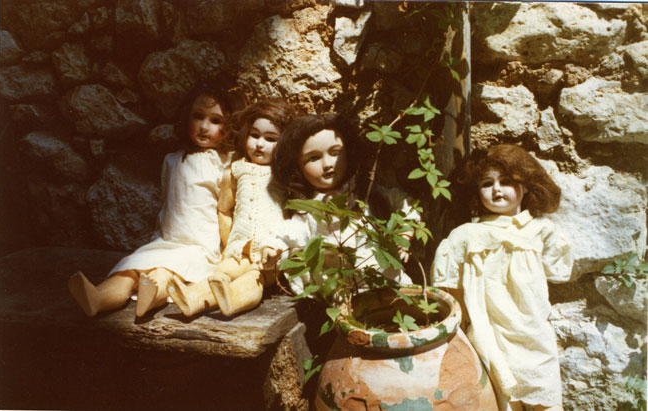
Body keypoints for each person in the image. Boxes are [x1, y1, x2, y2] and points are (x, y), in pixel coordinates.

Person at [68, 80, 242, 317]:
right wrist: (157, 234)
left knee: (163, 272)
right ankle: (98, 298)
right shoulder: (173, 160)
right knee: (130, 269)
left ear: (229, 126)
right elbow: (168, 204)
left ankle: (151, 298)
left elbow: (227, 209)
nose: (204, 126)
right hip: (167, 240)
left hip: (200, 246)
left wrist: (228, 251)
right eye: (198, 116)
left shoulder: (227, 163)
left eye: (215, 121)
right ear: (186, 118)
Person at [430, 144, 573, 411]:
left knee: (544, 393)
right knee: (501, 397)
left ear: (526, 186)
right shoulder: (466, 235)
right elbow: (446, 285)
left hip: (531, 329)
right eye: (487, 184)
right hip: (489, 329)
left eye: (506, 181)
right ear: (476, 191)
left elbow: (559, 271)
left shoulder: (539, 230)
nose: (497, 189)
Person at [167, 98, 300, 317]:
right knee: (222, 272)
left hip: (271, 255)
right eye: (255, 135)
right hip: (240, 250)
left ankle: (234, 300)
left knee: (254, 278)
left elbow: (296, 217)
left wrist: (284, 248)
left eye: (270, 139)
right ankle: (193, 299)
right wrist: (231, 244)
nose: (259, 144)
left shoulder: (284, 176)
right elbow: (224, 210)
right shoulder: (235, 171)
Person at [261, 113, 417, 296]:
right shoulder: (310, 208)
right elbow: (292, 232)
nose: (328, 164)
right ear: (297, 168)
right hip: (344, 290)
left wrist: (404, 233)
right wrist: (273, 246)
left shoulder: (364, 193)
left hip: (386, 280)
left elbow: (405, 203)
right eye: (313, 158)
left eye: (335, 153)